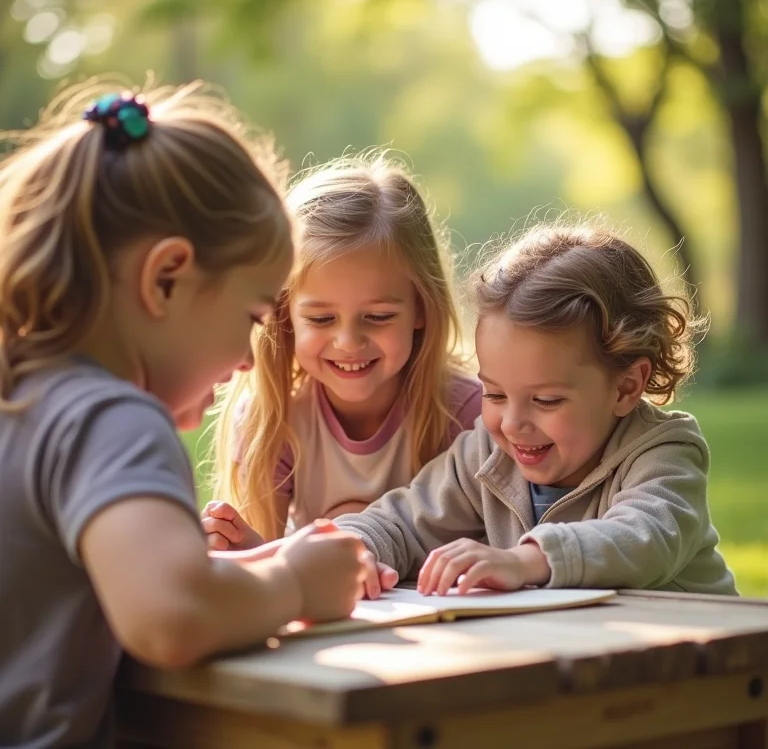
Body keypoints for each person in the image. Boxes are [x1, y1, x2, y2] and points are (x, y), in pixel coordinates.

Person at [0, 81, 364, 748]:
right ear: (167, 277)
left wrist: (259, 563)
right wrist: (294, 587)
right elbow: (172, 616)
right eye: (254, 315)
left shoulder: (22, 397)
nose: (253, 360)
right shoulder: (110, 417)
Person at [334, 224, 738, 598]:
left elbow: (648, 537)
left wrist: (525, 560)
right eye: (494, 394)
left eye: (546, 400)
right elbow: (401, 522)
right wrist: (354, 548)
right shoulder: (485, 456)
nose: (512, 424)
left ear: (627, 386)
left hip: (703, 665)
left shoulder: (663, 452)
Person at [204, 155, 482, 547]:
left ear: (421, 307)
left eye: (378, 316)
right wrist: (243, 547)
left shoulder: (469, 415)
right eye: (320, 319)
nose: (349, 342)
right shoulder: (274, 420)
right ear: (284, 316)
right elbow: (265, 564)